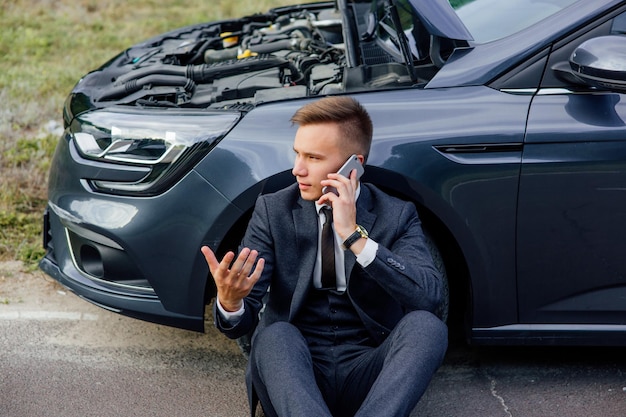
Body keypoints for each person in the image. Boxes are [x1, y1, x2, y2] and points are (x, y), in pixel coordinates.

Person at [201, 96, 447, 417]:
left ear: (354, 164)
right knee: (275, 334)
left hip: (368, 373)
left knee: (427, 327)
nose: (297, 169)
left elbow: (429, 296)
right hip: (297, 374)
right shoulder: (274, 210)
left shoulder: (397, 215)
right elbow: (240, 323)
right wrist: (231, 304)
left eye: (314, 158)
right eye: (298, 154)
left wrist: (354, 237)